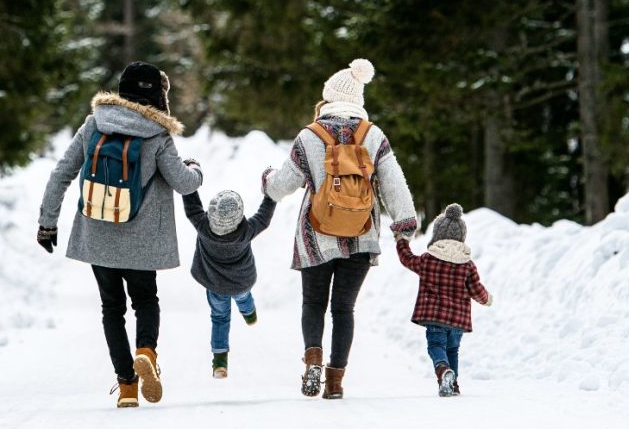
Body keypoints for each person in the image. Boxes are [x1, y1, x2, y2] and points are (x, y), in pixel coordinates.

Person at [35, 61, 203, 408]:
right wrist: (196, 169)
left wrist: (47, 222)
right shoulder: (157, 134)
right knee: (145, 301)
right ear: (158, 95)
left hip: (98, 234)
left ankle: (126, 386)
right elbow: (183, 183)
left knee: (111, 308)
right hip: (142, 240)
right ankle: (146, 352)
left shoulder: (94, 124)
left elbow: (61, 173)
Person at [263, 58, 419, 399]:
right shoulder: (373, 135)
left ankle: (313, 361)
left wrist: (267, 181)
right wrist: (405, 226)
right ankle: (334, 383)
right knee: (344, 309)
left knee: (313, 304)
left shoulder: (309, 136)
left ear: (328, 98)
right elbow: (394, 184)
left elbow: (281, 186)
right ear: (358, 100)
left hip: (315, 235)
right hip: (362, 235)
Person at [395, 203, 493, 397]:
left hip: (435, 317)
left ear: (437, 234)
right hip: (458, 320)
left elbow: (407, 258)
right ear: (461, 237)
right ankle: (453, 384)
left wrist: (401, 240)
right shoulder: (468, 265)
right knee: (453, 350)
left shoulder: (427, 260)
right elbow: (476, 290)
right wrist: (487, 299)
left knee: (436, 347)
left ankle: (442, 371)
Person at [181, 188, 276, 378]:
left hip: (215, 287)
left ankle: (220, 363)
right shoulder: (246, 231)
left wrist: (188, 178)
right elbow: (263, 218)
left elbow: (192, 207)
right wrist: (271, 194)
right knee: (244, 298)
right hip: (241, 283)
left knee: (220, 318)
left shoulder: (202, 226)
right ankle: (249, 315)